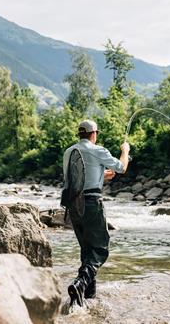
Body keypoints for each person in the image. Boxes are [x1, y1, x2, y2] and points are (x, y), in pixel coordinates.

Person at [63, 119, 130, 306]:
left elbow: (78, 177)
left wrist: (102, 174)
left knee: (87, 250)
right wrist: (125, 150)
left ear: (79, 134)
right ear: (94, 134)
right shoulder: (98, 150)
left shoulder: (69, 152)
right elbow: (122, 167)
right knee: (100, 249)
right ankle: (80, 282)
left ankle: (87, 296)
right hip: (92, 203)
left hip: (73, 205)